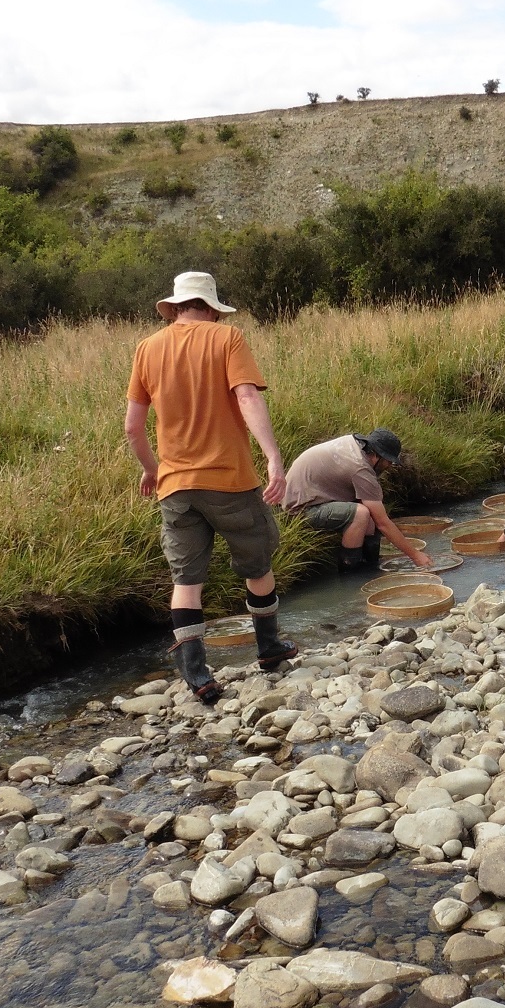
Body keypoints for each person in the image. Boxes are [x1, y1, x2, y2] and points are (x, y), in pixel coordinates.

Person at [125, 270, 297, 705]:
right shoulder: (228, 339)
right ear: (211, 308)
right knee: (257, 565)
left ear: (176, 306)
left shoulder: (147, 348)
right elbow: (247, 397)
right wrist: (274, 457)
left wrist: (152, 470)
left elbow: (133, 428)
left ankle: (198, 676)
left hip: (175, 486)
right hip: (230, 480)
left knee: (186, 579)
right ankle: (269, 650)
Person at [283, 428, 434, 572]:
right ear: (377, 455)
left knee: (370, 518)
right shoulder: (361, 469)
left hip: (304, 496)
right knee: (360, 514)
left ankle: (370, 566)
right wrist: (415, 555)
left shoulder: (354, 444)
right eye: (389, 461)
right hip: (299, 510)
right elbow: (383, 523)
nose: (389, 466)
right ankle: (350, 573)